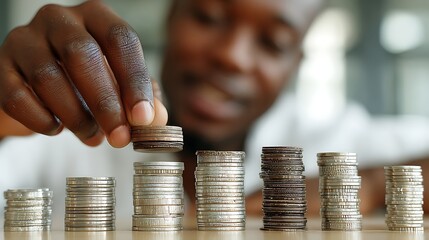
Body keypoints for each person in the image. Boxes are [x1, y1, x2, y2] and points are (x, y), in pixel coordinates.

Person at [1, 0, 429, 227]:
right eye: (207, 16)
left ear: (297, 65)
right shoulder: (55, 130)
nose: (232, 57)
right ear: (171, 18)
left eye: (274, 43)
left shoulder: (338, 138)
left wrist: (370, 186)